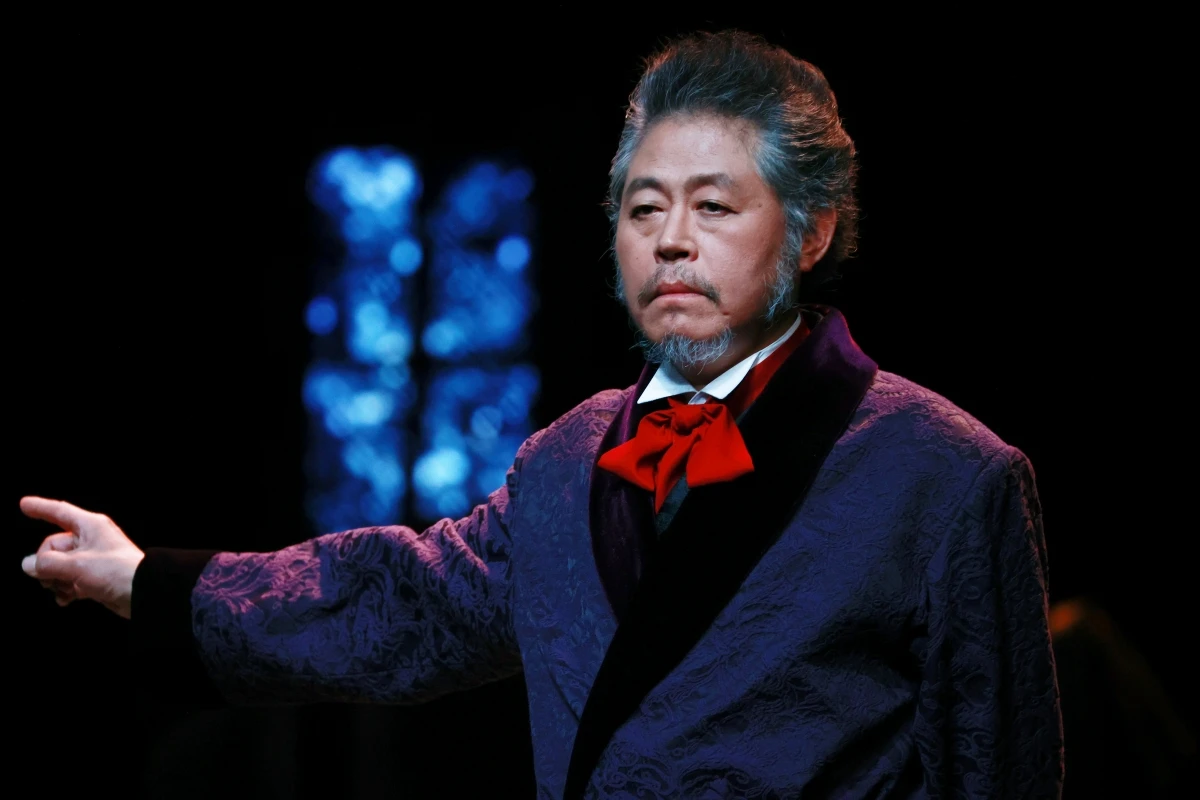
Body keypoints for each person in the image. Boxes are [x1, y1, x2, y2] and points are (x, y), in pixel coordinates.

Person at [20, 30, 1064, 799]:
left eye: (714, 205)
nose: (670, 239)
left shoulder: (946, 474)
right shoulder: (570, 457)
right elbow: (401, 603)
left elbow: (1002, 773)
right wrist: (153, 582)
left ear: (810, 229)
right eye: (644, 207)